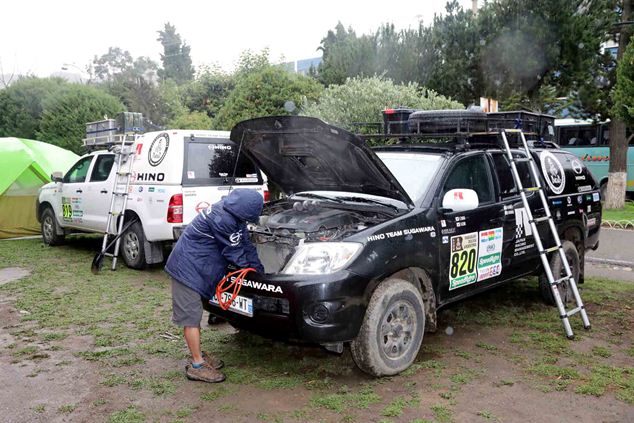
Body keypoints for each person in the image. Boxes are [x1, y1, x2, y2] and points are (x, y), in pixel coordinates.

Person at [165, 189, 265, 383]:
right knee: (191, 318)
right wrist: (256, 275)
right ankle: (197, 365)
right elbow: (235, 252)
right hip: (186, 270)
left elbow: (245, 244)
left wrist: (259, 271)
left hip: (199, 267)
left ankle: (198, 354)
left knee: (194, 315)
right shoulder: (222, 219)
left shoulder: (231, 213)